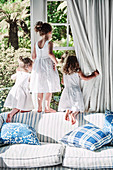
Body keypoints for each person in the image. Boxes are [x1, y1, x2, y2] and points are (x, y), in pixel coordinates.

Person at [58, 55, 99, 125]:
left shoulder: (65, 72)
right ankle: (73, 114)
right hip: (75, 90)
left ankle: (67, 111)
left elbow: (62, 82)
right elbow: (85, 78)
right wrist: (94, 75)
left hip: (66, 90)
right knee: (77, 107)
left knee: (69, 105)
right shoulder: (77, 71)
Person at [30, 21, 61, 113]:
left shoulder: (36, 43)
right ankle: (47, 108)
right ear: (49, 32)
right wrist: (56, 62)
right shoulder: (49, 43)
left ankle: (39, 108)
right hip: (47, 65)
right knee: (49, 87)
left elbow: (33, 57)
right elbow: (50, 54)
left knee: (40, 87)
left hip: (38, 65)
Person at [4, 56, 34, 123]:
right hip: (22, 92)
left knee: (18, 105)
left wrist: (17, 72)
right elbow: (32, 84)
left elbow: (12, 77)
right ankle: (11, 114)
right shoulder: (29, 75)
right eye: (32, 66)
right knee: (19, 106)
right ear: (27, 67)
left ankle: (17, 112)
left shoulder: (19, 73)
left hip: (15, 89)